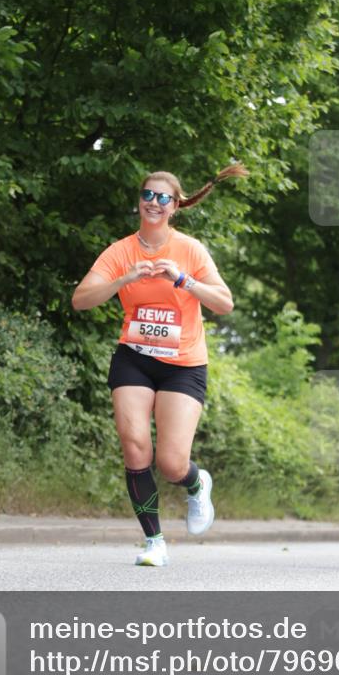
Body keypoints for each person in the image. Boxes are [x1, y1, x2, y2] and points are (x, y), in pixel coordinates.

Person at [72, 165, 246, 567]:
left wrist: (184, 280)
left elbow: (224, 303)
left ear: (175, 206)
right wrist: (123, 279)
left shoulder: (190, 250)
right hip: (134, 357)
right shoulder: (121, 251)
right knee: (135, 447)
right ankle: (154, 542)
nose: (153, 202)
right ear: (139, 201)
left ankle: (196, 482)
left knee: (170, 463)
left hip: (182, 364)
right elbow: (81, 299)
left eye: (162, 198)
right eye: (147, 195)